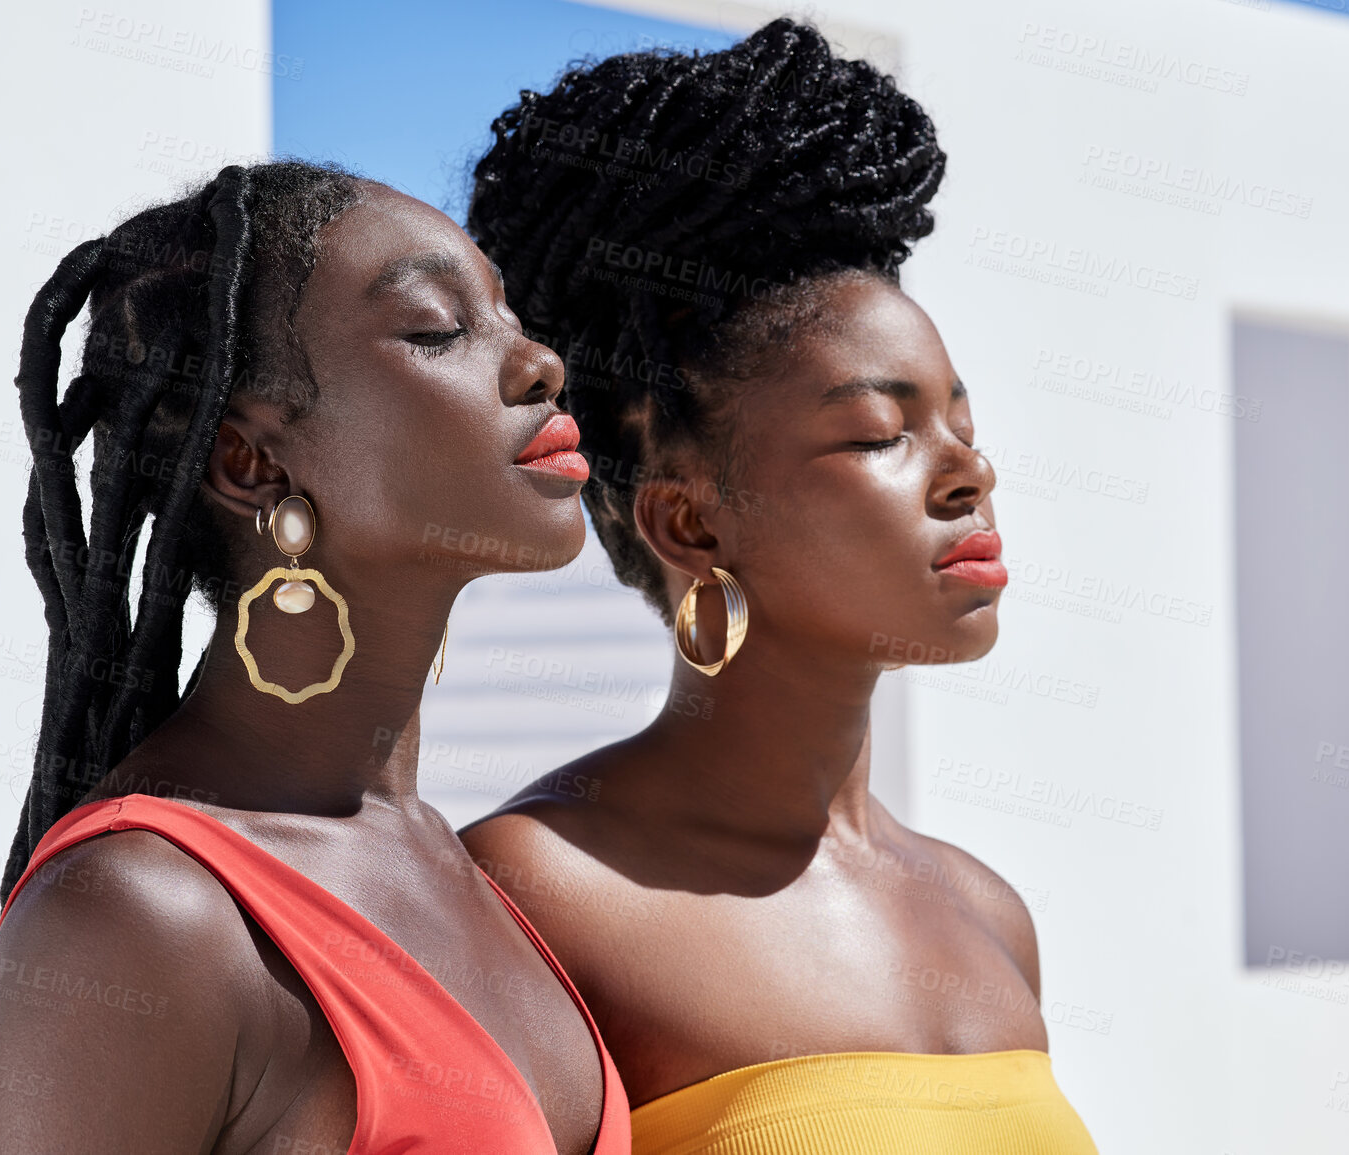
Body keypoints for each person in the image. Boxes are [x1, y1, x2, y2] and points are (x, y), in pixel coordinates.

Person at [461, 21, 1097, 1154]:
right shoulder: (539, 891)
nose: (970, 472)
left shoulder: (988, 912)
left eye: (962, 419)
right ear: (691, 522)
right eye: (878, 434)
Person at [0, 160, 629, 1155]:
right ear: (253, 462)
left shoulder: (463, 866)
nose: (537, 362)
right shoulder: (148, 914)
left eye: (507, 313)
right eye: (436, 329)